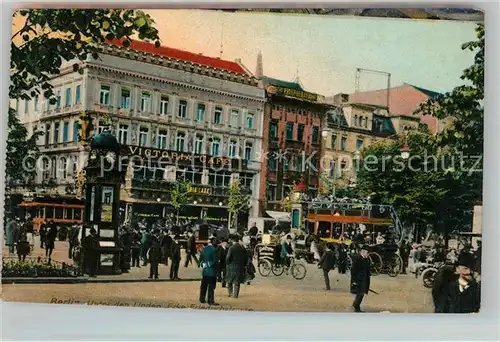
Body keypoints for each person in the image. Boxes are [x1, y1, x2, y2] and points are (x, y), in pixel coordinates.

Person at [350, 245, 371, 312]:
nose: (368, 254)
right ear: (363, 252)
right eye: (367, 253)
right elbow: (353, 270)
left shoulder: (365, 259)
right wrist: (354, 280)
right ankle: (356, 307)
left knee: (361, 293)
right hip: (359, 280)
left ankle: (355, 304)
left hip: (364, 279)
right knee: (360, 293)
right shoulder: (358, 258)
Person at [199, 237, 218, 305]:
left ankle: (202, 299)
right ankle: (210, 301)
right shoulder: (214, 250)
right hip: (212, 272)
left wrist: (204, 265)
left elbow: (200, 260)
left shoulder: (204, 249)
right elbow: (215, 260)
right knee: (211, 287)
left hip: (205, 271)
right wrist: (208, 264)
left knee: (203, 286)